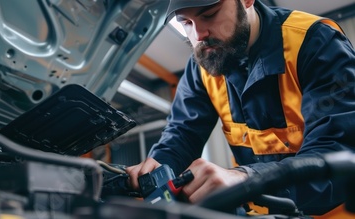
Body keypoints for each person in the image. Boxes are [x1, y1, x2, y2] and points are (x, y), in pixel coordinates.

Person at [126, 0, 355, 216]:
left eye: (209, 15)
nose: (198, 35)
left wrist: (245, 180)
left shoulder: (316, 42)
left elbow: (337, 153)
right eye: (185, 22)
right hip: (265, 210)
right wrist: (157, 167)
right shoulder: (202, 66)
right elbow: (181, 135)